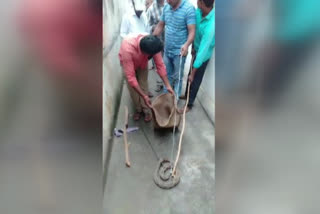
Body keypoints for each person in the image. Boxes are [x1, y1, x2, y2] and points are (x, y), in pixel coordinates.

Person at [119, 35, 174, 122]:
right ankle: (138, 110)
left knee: (143, 85)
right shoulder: (127, 49)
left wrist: (167, 85)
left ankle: (146, 110)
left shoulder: (153, 45)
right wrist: (144, 96)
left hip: (142, 64)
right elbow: (131, 77)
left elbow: (160, 65)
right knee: (133, 90)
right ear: (145, 53)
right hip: (128, 64)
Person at [153, 0, 196, 99]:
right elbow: (160, 25)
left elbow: (192, 32)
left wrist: (186, 45)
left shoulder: (189, 9)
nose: (167, 1)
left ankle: (174, 102)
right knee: (166, 76)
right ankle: (165, 99)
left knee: (177, 78)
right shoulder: (166, 7)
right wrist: (152, 38)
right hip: (167, 50)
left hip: (179, 53)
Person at [179, 0, 215, 113]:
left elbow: (203, 52)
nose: (196, 3)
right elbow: (194, 30)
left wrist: (193, 73)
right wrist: (193, 47)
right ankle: (186, 95)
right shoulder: (199, 12)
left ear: (203, 3)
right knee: (190, 74)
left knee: (195, 79)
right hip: (196, 48)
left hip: (203, 55)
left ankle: (189, 105)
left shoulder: (211, 26)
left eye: (198, 1)